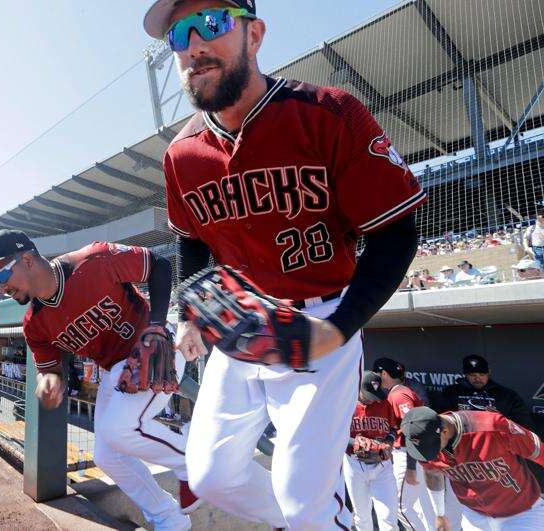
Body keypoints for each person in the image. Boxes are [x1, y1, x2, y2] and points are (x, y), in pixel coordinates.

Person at [145, 0, 425, 526]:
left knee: (304, 498)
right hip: (236, 320)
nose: (194, 46)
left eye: (212, 23)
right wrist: (190, 312)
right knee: (210, 476)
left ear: (256, 33)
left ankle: (312, 517)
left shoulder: (328, 112)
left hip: (318, 317)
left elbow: (396, 234)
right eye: (179, 35)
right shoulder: (181, 154)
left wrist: (339, 328)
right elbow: (191, 244)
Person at [0, 230, 198, 530]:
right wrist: (49, 380)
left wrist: (156, 326)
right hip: (115, 370)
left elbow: (159, 264)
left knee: (117, 428)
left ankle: (194, 463)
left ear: (26, 260)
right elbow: (49, 369)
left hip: (154, 348)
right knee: (106, 455)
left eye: (0, 276)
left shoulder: (93, 260)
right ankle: (168, 517)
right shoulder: (35, 325)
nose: (1, 289)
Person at [403, 407, 544, 530]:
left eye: (431, 448)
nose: (430, 455)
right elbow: (432, 473)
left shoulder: (492, 427)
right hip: (474, 517)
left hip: (523, 514)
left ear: (444, 431)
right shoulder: (425, 442)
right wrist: (440, 513)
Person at [374, 357, 435, 530]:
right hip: (416, 455)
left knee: (401, 507)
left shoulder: (399, 395)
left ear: (384, 374)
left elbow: (414, 430)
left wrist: (410, 465)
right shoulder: (400, 391)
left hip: (409, 455)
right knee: (420, 506)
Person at [344, 371, 398, 531]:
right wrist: (354, 441)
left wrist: (389, 442)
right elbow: (332, 435)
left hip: (382, 466)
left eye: (374, 395)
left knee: (389, 518)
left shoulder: (383, 403)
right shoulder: (344, 404)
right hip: (354, 465)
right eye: (368, 394)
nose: (371, 399)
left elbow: (393, 429)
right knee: (362, 516)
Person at [441, 355, 532, 429]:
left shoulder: (506, 395)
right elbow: (441, 420)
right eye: (472, 375)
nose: (477, 378)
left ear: (489, 372)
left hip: (495, 441)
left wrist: (501, 418)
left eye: (482, 374)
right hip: (461, 440)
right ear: (465, 374)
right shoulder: (450, 392)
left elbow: (523, 425)